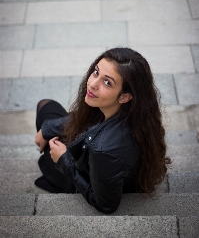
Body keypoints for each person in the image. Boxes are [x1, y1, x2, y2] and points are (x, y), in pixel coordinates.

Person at [35, 47, 171, 214]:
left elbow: (105, 205)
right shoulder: (133, 113)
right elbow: (83, 120)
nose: (92, 84)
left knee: (45, 112)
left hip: (88, 176)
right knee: (48, 110)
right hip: (96, 161)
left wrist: (63, 160)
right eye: (96, 72)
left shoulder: (105, 151)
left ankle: (51, 171)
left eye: (107, 82)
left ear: (124, 96)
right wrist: (46, 129)